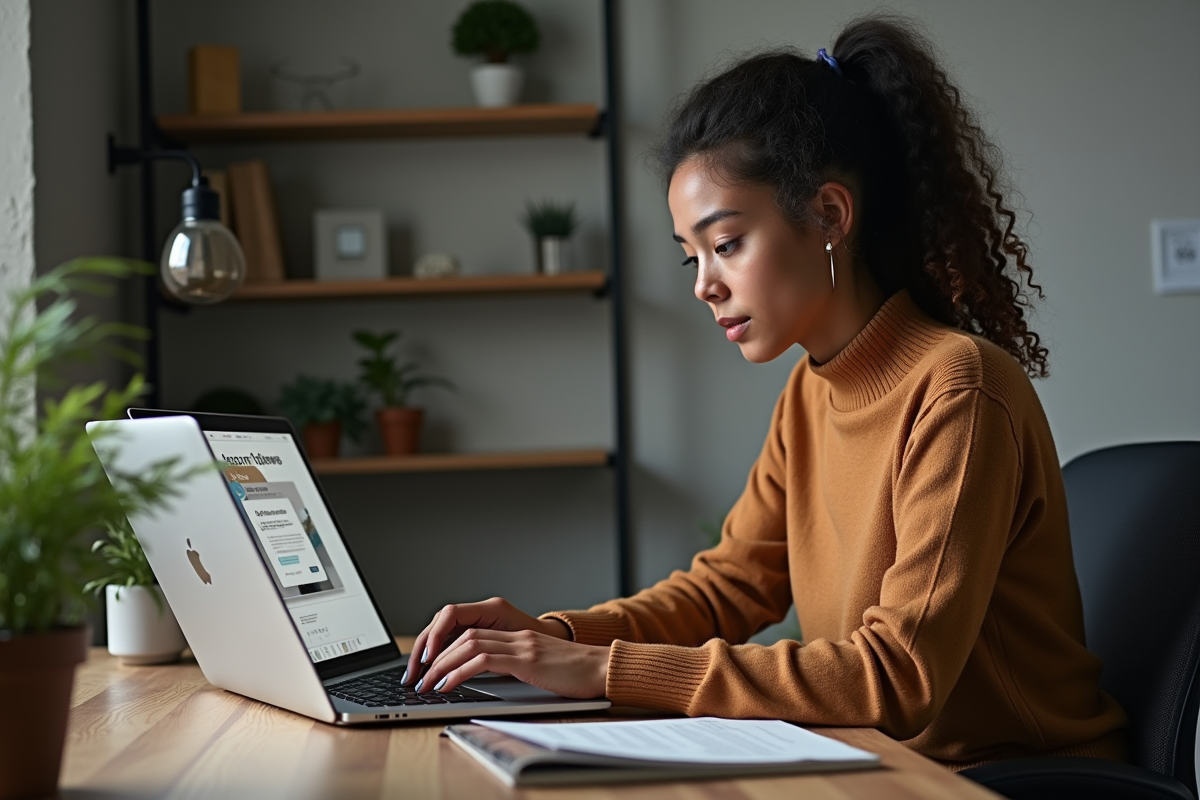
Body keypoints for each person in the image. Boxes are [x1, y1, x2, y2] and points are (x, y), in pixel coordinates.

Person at [403, 15, 1127, 768]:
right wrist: (555, 636)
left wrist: (599, 669)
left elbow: (897, 677)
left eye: (725, 244)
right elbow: (729, 588)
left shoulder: (958, 390)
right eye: (691, 257)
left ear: (829, 216)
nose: (704, 285)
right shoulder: (810, 391)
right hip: (887, 767)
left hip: (1011, 778)